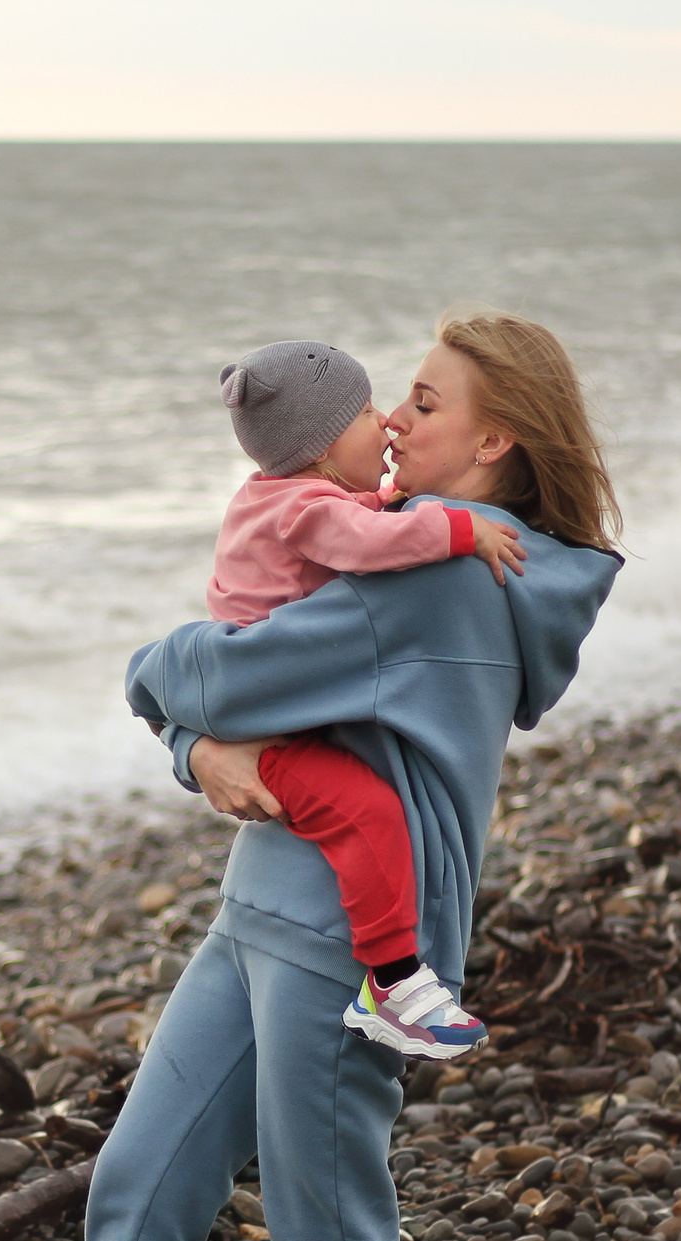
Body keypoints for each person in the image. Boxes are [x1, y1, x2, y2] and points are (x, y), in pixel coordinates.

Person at [0, 309, 621, 1241]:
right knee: (140, 1177)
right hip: (264, 915)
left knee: (328, 1218)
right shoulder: (425, 567)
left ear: (496, 436)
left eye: (422, 397)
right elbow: (240, 722)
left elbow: (210, 670)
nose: (395, 420)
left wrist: (167, 701)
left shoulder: (444, 583)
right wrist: (204, 755)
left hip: (351, 944)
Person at [202, 339, 526, 1060]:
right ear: (318, 449)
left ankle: (396, 975)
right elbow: (368, 542)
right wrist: (459, 528)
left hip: (265, 710)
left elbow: (362, 520)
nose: (384, 422)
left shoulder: (285, 497)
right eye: (365, 412)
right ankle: (394, 980)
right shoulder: (309, 512)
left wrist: (397, 504)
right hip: (273, 728)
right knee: (367, 810)